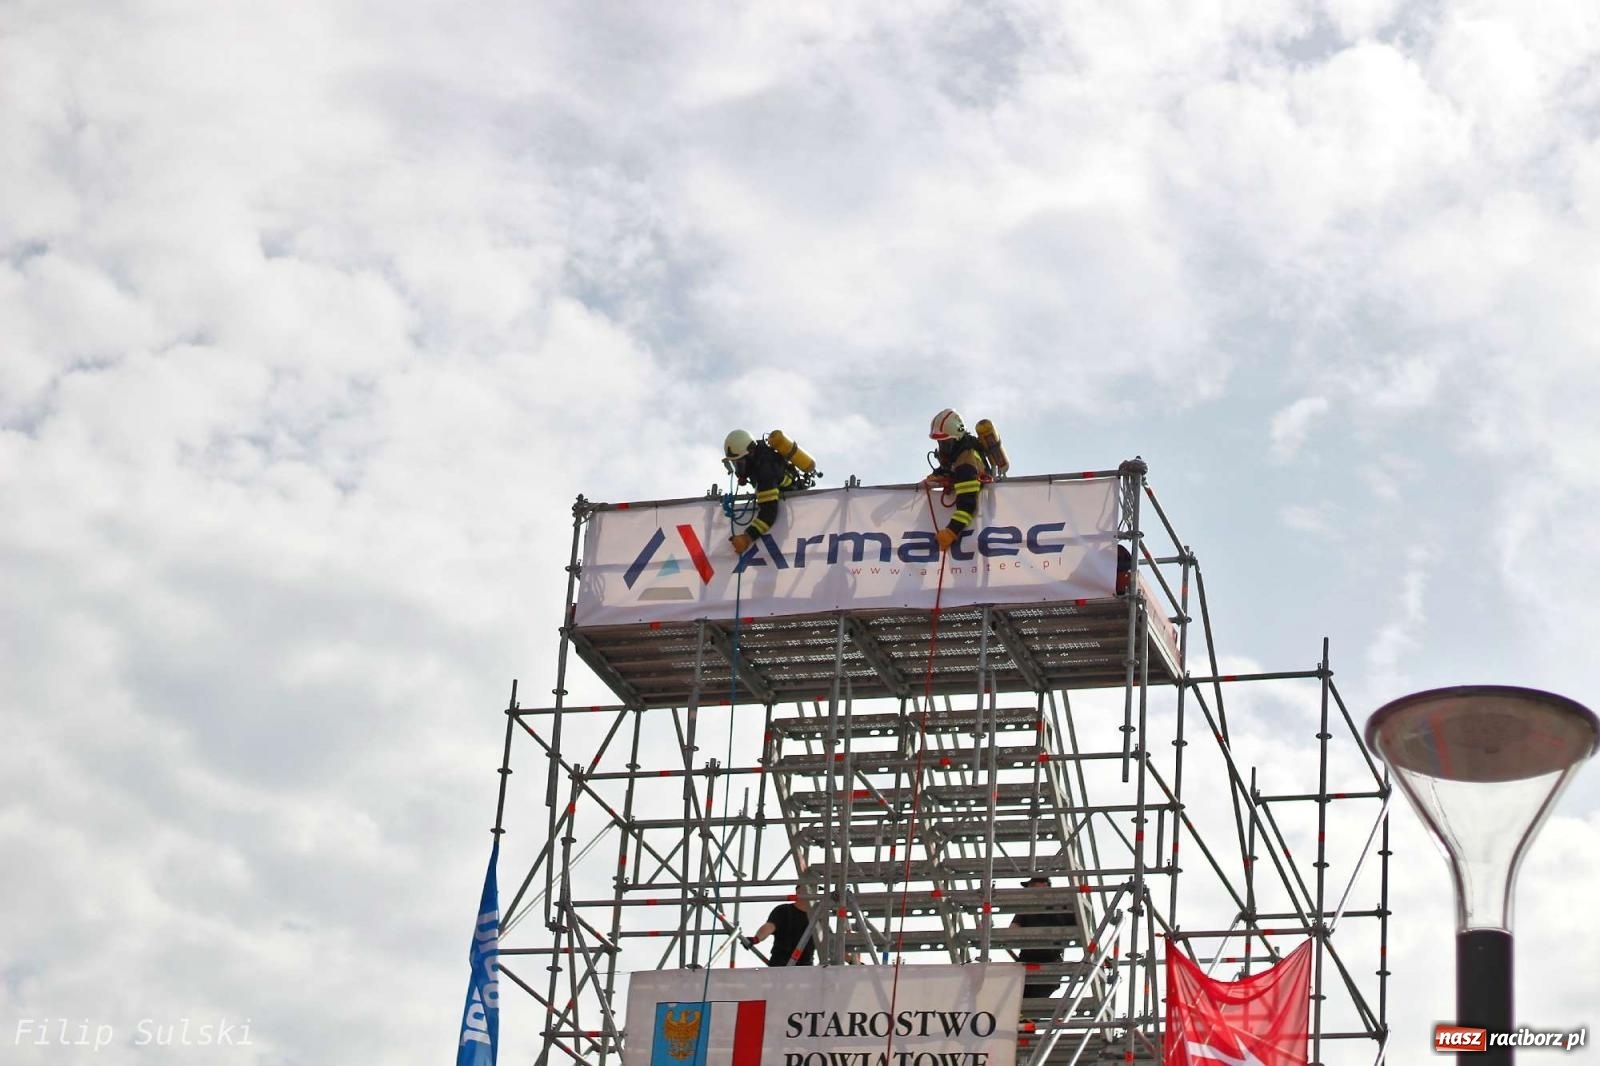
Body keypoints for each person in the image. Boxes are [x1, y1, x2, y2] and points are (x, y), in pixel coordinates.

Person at [925, 409, 989, 552]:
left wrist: (951, 531)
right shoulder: (959, 453)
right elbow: (951, 469)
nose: (942, 446)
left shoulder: (965, 461)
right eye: (939, 442)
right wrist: (941, 474)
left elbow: (967, 504)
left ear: (956, 438)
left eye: (945, 441)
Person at [724, 430, 796, 555]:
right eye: (735, 464)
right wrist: (744, 474)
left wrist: (747, 538)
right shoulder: (758, 455)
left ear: (750, 454)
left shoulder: (765, 471)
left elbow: (768, 514)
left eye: (740, 463)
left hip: (792, 506)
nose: (738, 469)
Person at [1011, 874, 1074, 999]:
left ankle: (1028, 1019)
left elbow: (1081, 928)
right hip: (1027, 963)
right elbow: (1012, 930)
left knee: (1028, 1006)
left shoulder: (1062, 908)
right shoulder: (1026, 908)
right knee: (1018, 1007)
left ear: (1044, 885)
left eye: (1031, 885)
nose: (1028, 889)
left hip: (1050, 965)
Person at [749, 890, 816, 966]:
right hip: (781, 962)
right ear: (798, 891)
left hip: (806, 965)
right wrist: (756, 939)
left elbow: (825, 941)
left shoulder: (818, 916)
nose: (812, 895)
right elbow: (770, 926)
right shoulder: (784, 910)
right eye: (808, 890)